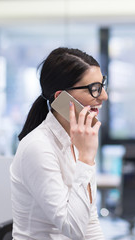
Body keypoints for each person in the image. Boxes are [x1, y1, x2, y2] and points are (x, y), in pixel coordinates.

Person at [10, 47, 108, 239]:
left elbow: (90, 223)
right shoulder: (38, 147)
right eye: (94, 89)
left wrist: (84, 157)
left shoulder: (78, 141)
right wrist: (86, 159)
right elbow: (74, 230)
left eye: (102, 85)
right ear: (61, 98)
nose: (104, 96)